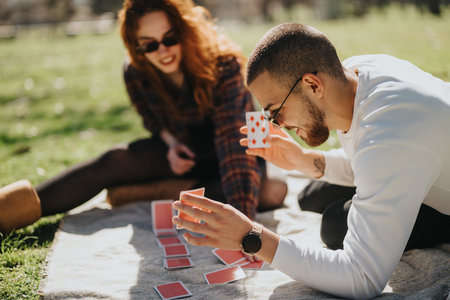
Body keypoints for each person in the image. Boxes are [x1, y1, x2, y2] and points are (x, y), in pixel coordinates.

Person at [171, 23, 450, 299]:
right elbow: (369, 156)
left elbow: (362, 277)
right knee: (310, 197)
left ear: (313, 85)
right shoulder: (356, 72)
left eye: (275, 111)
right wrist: (304, 160)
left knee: (334, 224)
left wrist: (252, 237)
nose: (276, 126)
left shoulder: (391, 134)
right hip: (418, 155)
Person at [0, 0, 288, 235]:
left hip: (238, 148)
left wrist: (242, 225)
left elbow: (233, 142)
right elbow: (153, 121)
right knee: (115, 160)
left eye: (169, 38)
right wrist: (171, 143)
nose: (162, 51)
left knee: (272, 192)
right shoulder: (135, 71)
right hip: (185, 151)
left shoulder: (224, 63)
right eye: (149, 44)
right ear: (136, 46)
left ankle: (162, 191)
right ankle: (6, 211)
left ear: (184, 31)